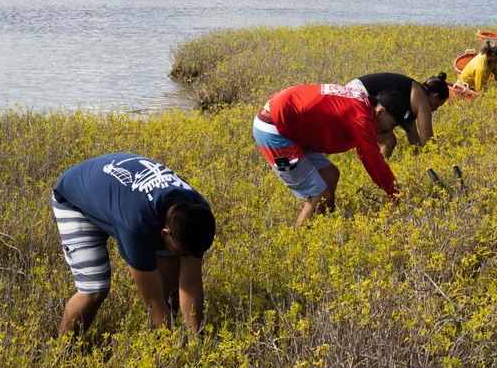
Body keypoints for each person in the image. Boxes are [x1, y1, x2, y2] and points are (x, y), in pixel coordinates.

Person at [51, 152, 216, 336]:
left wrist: (196, 339)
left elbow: (190, 283)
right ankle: (64, 352)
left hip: (117, 196)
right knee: (95, 288)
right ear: (165, 232)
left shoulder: (198, 211)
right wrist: (176, 351)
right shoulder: (136, 226)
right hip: (76, 198)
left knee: (169, 280)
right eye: (183, 252)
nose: (185, 258)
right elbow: (153, 302)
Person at [253, 84, 407, 231]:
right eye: (393, 124)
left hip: (285, 119)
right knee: (320, 195)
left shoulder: (362, 102)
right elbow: (373, 158)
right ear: (380, 111)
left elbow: (365, 156)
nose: (390, 130)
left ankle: (323, 230)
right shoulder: (361, 118)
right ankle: (300, 241)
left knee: (330, 175)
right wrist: (396, 194)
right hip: (274, 128)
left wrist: (386, 186)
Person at [345, 72, 450, 157]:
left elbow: (413, 136)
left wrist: (417, 157)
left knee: (384, 137)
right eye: (439, 105)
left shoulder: (412, 95)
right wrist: (437, 156)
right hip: (358, 96)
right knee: (388, 141)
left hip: (349, 91)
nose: (436, 109)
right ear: (435, 96)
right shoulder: (422, 101)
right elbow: (428, 141)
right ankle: (380, 173)